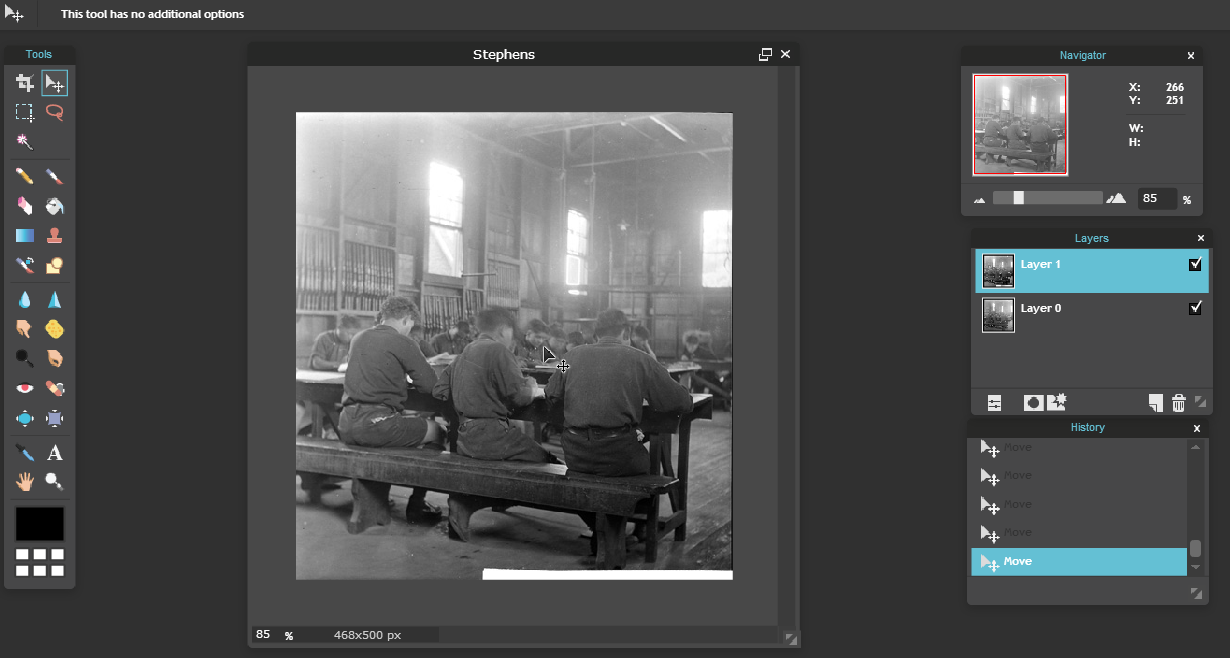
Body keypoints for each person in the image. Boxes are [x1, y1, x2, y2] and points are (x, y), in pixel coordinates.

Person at [433, 307, 560, 538]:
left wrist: (560, 367)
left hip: (468, 431)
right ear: (523, 333)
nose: (540, 342)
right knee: (546, 461)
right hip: (499, 418)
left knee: (521, 441)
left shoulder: (541, 350)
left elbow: (560, 364)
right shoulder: (510, 347)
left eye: (544, 339)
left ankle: (489, 500)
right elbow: (518, 393)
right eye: (537, 337)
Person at [546, 308, 693, 478]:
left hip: (576, 456)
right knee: (649, 465)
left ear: (596, 333)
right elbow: (679, 400)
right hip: (618, 456)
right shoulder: (641, 359)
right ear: (627, 332)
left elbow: (550, 391)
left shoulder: (568, 357)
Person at [338, 296, 444, 519]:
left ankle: (378, 496)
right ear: (406, 320)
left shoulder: (358, 337)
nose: (410, 331)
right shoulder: (403, 342)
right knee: (437, 432)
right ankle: (417, 504)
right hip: (377, 426)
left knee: (403, 427)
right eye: (411, 326)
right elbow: (430, 385)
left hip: (347, 423)